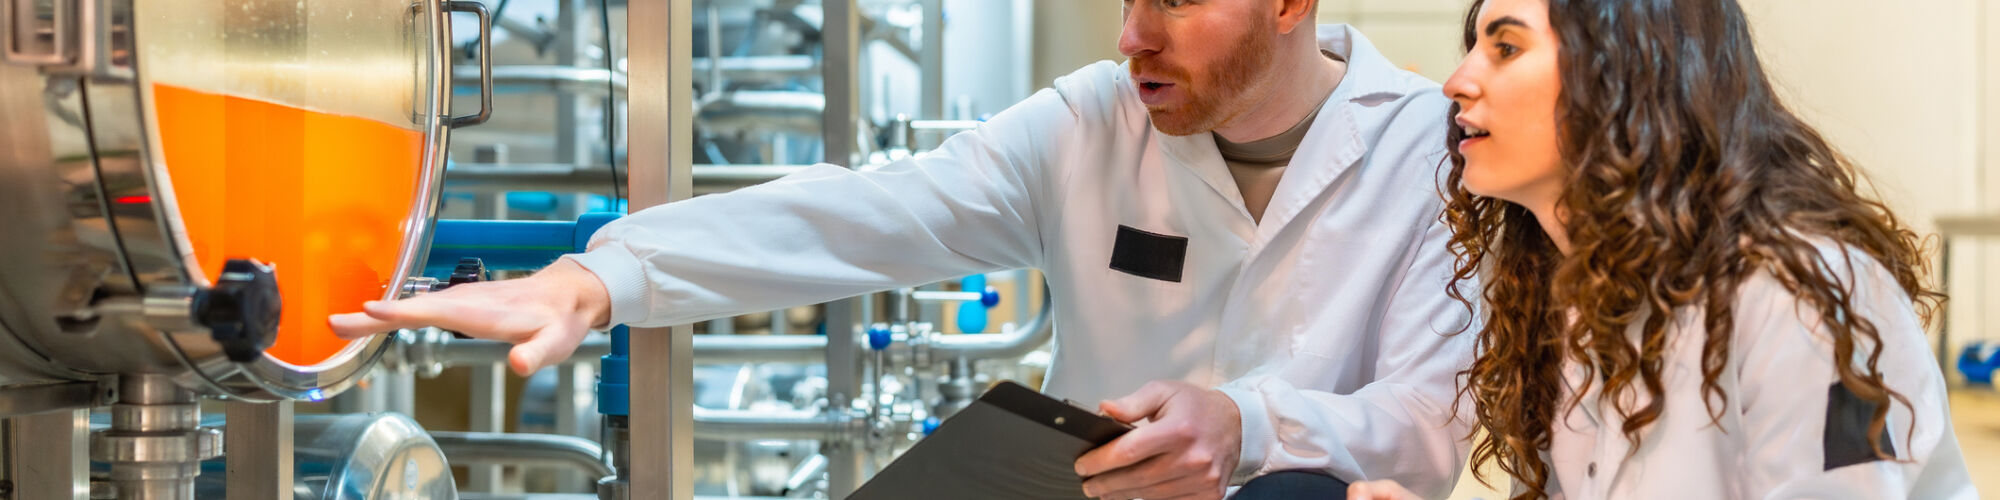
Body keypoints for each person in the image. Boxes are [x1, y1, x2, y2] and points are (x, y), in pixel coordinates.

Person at [332, 1, 1475, 497]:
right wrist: (602, 274)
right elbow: (862, 213)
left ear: (1288, 1)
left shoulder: (1427, 147)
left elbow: (1424, 422)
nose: (1133, 36)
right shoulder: (1090, 122)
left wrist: (1252, 426)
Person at [1347, 0, 1978, 498]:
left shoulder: (1798, 288)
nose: (1456, 82)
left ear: (1623, 70)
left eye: (1505, 47)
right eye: (1473, 48)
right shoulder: (1558, 293)